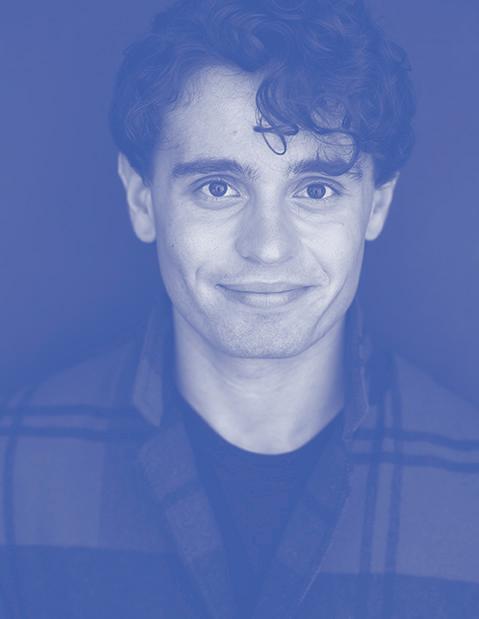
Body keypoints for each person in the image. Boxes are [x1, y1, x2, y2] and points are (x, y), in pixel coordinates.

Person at [1, 0, 478, 617]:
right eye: (218, 187)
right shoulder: (15, 467)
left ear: (377, 205)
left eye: (316, 189)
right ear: (142, 200)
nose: (268, 246)